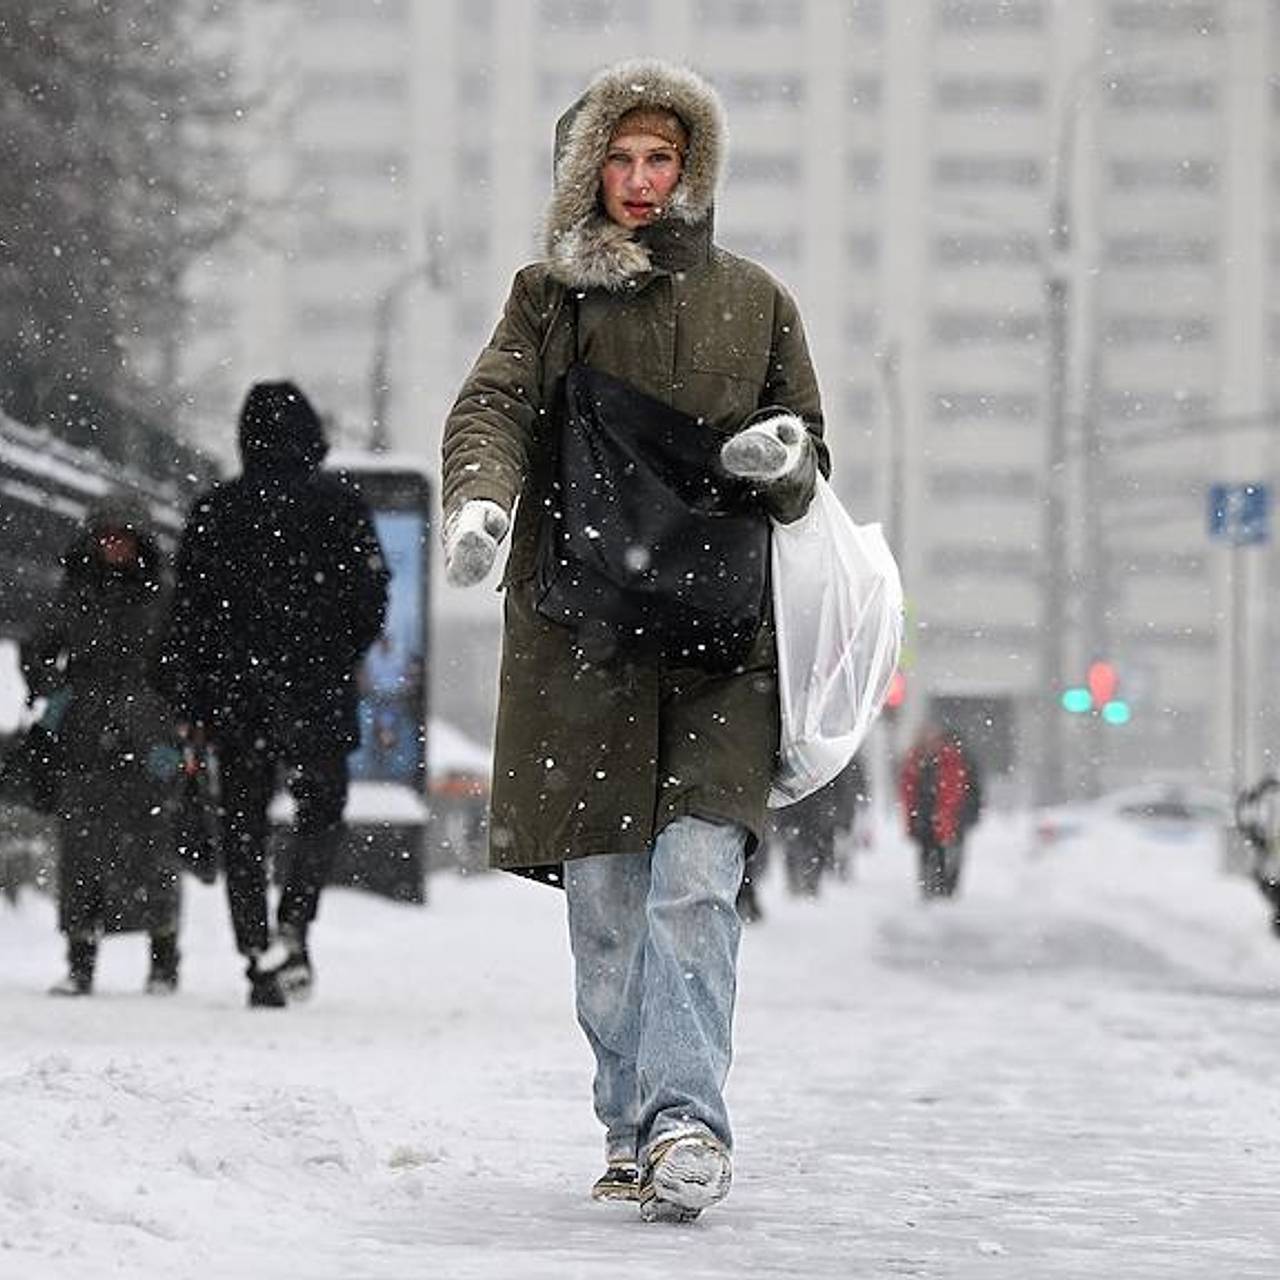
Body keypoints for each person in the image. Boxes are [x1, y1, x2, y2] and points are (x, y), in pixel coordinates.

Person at [440, 60, 828, 1222]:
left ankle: (687, 1123)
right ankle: (628, 1122)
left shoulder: (755, 301)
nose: (642, 181)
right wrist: (479, 501)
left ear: (693, 167)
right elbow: (493, 408)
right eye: (620, 158)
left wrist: (786, 463)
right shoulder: (547, 299)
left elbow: (807, 446)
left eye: (662, 158)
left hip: (720, 639)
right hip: (583, 637)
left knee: (697, 886)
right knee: (606, 904)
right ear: (585, 170)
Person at [162, 381, 388, 1008]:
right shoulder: (340, 506)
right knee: (320, 812)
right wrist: (335, 653)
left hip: (238, 697)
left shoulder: (216, 510)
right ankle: (295, 919)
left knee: (242, 823)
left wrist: (194, 696)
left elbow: (188, 615)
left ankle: (257, 949)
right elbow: (370, 602)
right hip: (315, 690)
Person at [21, 501, 184, 995]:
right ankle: (80, 960)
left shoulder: (162, 597)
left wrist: (170, 722)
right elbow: (39, 650)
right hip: (85, 736)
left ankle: (163, 956)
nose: (114, 545)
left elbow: (183, 663)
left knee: (153, 847)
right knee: (81, 852)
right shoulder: (75, 594)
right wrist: (55, 692)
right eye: (106, 536)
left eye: (123, 536)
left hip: (147, 736)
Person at [898, 722, 983, 899]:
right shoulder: (919, 759)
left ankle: (944, 889)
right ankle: (931, 888)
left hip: (950, 816)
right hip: (928, 816)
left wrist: (960, 813)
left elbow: (960, 790)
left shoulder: (950, 759)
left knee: (948, 852)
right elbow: (909, 790)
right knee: (929, 851)